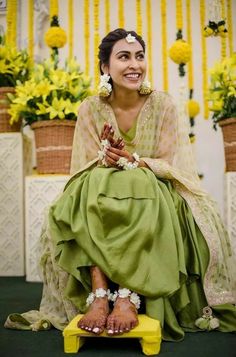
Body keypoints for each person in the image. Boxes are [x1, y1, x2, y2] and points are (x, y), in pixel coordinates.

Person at [5, 28, 236, 341]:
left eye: (139, 56)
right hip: (101, 190)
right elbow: (80, 170)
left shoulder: (163, 105)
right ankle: (99, 294)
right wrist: (107, 158)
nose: (134, 64)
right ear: (105, 67)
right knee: (93, 181)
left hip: (154, 191)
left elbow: (170, 166)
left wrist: (134, 160)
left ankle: (127, 296)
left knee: (139, 179)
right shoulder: (90, 108)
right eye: (124, 56)